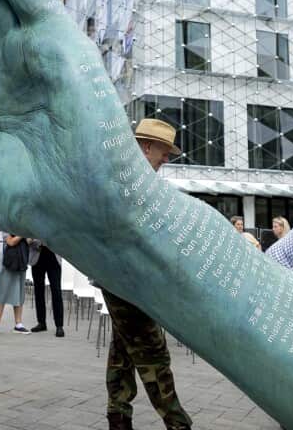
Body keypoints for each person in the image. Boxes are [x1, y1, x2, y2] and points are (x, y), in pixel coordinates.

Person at [101, 118, 192, 430]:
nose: (167, 159)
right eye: (164, 151)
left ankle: (118, 416)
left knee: (124, 347)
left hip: (123, 275)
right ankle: (177, 423)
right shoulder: (125, 178)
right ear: (146, 146)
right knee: (151, 350)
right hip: (126, 275)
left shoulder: (133, 177)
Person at [0, 231, 31, 335]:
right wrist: (22, 235)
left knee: (19, 292)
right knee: (2, 291)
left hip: (20, 261)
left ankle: (18, 324)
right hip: (8, 263)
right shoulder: (5, 227)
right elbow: (11, 242)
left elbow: (29, 241)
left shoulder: (23, 227)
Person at [29, 239, 65, 337]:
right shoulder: (33, 222)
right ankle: (41, 323)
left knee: (56, 291)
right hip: (37, 255)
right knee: (38, 291)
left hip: (53, 256)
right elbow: (28, 236)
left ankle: (59, 326)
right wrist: (38, 242)